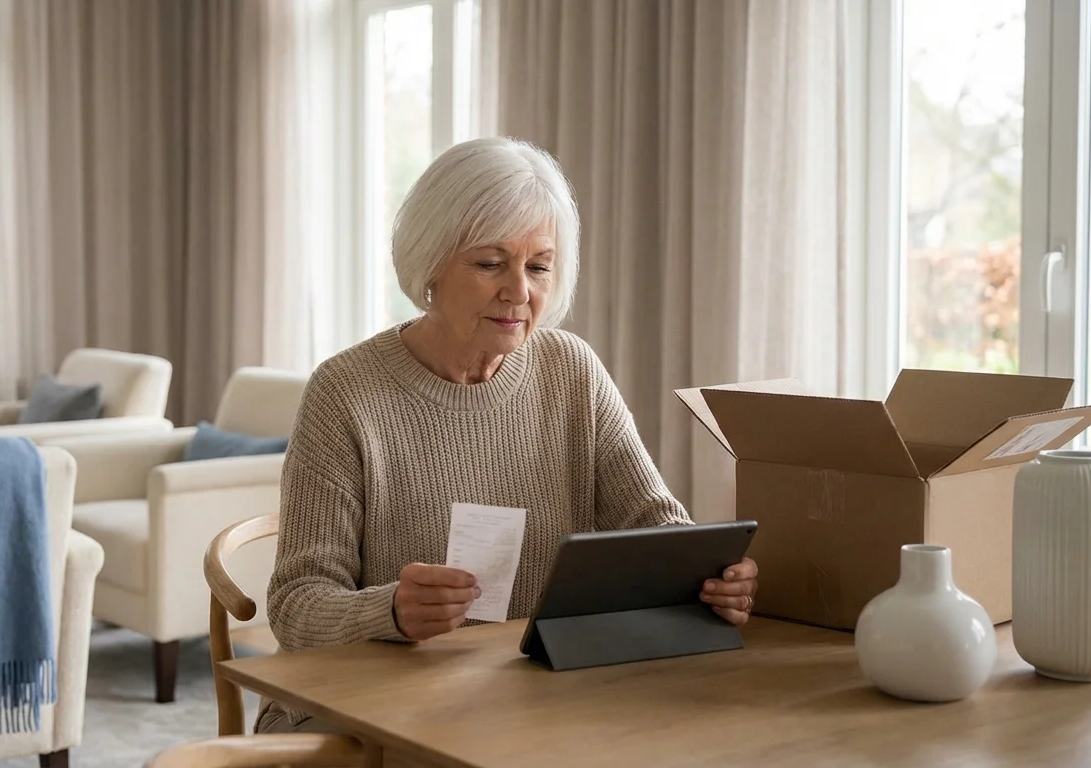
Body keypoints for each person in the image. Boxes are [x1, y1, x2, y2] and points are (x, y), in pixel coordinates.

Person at [256, 136, 758, 736]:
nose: (519, 293)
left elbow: (655, 525)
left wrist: (712, 578)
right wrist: (388, 609)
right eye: (490, 263)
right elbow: (296, 607)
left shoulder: (571, 369)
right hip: (365, 708)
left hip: (529, 702)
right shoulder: (345, 392)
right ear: (430, 263)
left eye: (538, 266)